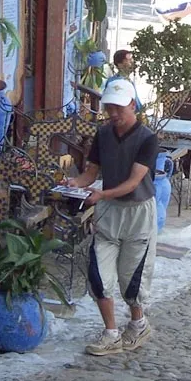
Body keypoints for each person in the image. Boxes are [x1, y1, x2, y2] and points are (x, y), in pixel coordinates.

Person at [65, 79, 158, 356]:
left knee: (131, 276)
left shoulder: (148, 139)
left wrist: (101, 195)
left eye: (119, 108)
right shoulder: (103, 135)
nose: (113, 114)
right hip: (110, 212)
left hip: (137, 211)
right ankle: (111, 333)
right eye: (109, 108)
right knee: (99, 274)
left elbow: (133, 182)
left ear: (132, 105)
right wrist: (75, 184)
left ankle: (138, 323)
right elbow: (91, 173)